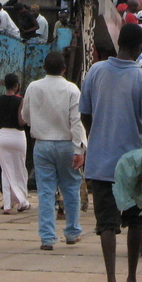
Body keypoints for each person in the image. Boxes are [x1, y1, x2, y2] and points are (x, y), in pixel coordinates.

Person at [80, 23, 142, 282]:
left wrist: (97, 135)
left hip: (100, 162)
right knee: (135, 221)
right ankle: (132, 281)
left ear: (119, 42)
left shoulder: (94, 71)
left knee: (106, 224)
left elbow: (85, 114)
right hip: (132, 163)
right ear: (139, 48)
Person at [21, 51, 86, 250]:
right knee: (71, 189)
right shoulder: (72, 89)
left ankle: (47, 237)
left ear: (44, 68)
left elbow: (25, 115)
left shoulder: (33, 87)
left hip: (41, 144)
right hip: (66, 144)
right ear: (64, 69)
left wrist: (38, 125)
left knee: (46, 191)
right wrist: (80, 148)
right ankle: (72, 232)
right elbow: (76, 121)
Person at [0, 73, 30, 213]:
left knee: (5, 171)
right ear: (16, 86)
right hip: (18, 137)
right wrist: (28, 119)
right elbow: (21, 121)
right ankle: (22, 201)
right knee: (20, 170)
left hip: (3, 136)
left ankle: (7, 204)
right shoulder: (20, 100)